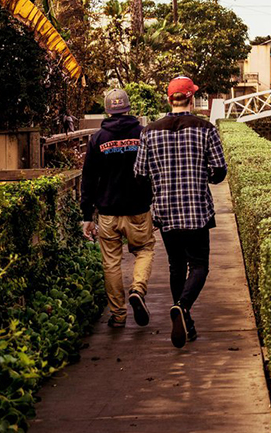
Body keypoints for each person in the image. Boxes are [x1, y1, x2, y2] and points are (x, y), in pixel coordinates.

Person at [134, 76, 227, 348]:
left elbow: (139, 175)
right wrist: (203, 175)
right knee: (199, 265)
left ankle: (185, 318)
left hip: (165, 211)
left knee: (176, 265)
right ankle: (183, 308)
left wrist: (158, 183)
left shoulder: (149, 132)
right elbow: (220, 171)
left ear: (168, 99)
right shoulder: (205, 128)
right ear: (191, 99)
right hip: (197, 209)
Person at [81, 89, 154, 329]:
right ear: (128, 108)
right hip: (138, 209)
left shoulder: (97, 139)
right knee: (144, 249)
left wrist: (86, 216)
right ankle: (137, 289)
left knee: (111, 263)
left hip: (108, 211)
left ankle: (119, 315)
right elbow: (153, 172)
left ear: (107, 110)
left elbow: (88, 179)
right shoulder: (143, 135)